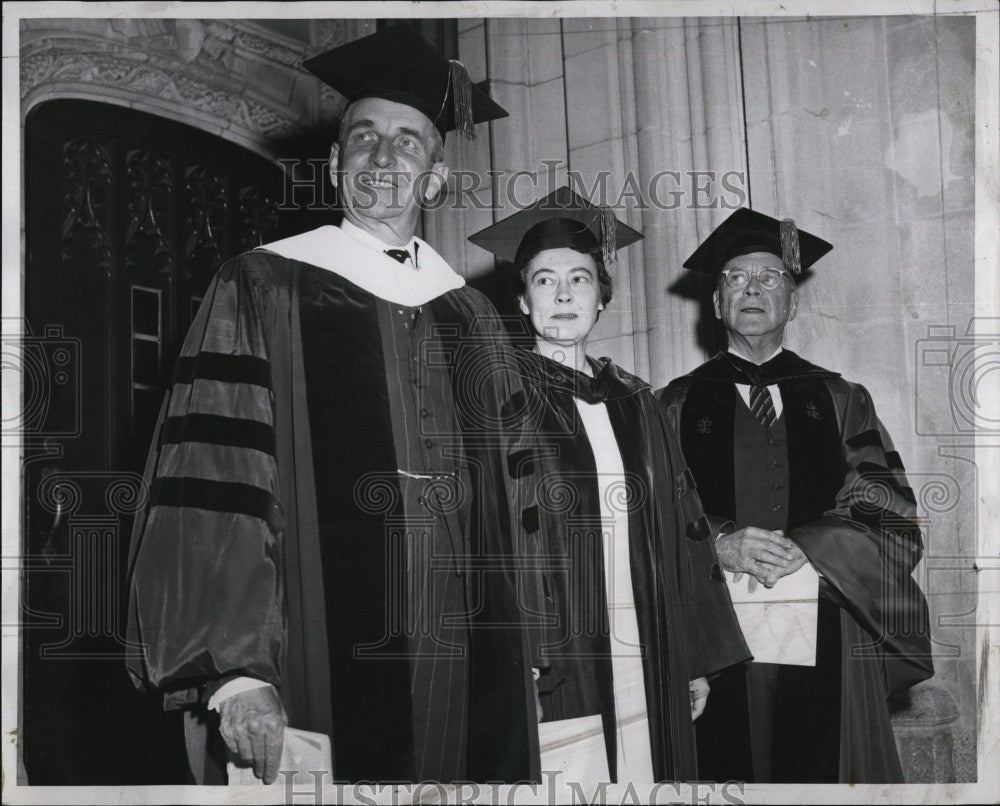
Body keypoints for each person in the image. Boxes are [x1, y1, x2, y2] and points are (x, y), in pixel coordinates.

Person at [126, 24, 540, 786]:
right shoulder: (262, 285)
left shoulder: (476, 317)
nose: (384, 159)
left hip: (481, 669)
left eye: (409, 143)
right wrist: (238, 675)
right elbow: (214, 481)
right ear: (334, 161)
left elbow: (521, 505)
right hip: (314, 668)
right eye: (364, 138)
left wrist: (542, 649)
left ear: (438, 178)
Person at [468, 187, 750, 784]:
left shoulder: (635, 399)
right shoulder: (495, 399)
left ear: (602, 298)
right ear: (520, 300)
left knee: (648, 774)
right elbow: (477, 539)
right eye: (544, 280)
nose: (565, 293)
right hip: (554, 650)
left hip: (647, 637)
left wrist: (695, 655)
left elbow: (684, 526)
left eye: (581, 279)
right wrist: (506, 660)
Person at [658, 207, 933, 783]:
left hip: (824, 623)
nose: (752, 288)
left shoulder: (839, 397)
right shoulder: (669, 407)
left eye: (769, 277)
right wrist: (719, 543)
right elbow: (647, 516)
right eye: (735, 277)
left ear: (793, 300)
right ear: (715, 303)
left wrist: (812, 548)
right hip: (711, 631)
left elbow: (888, 507)